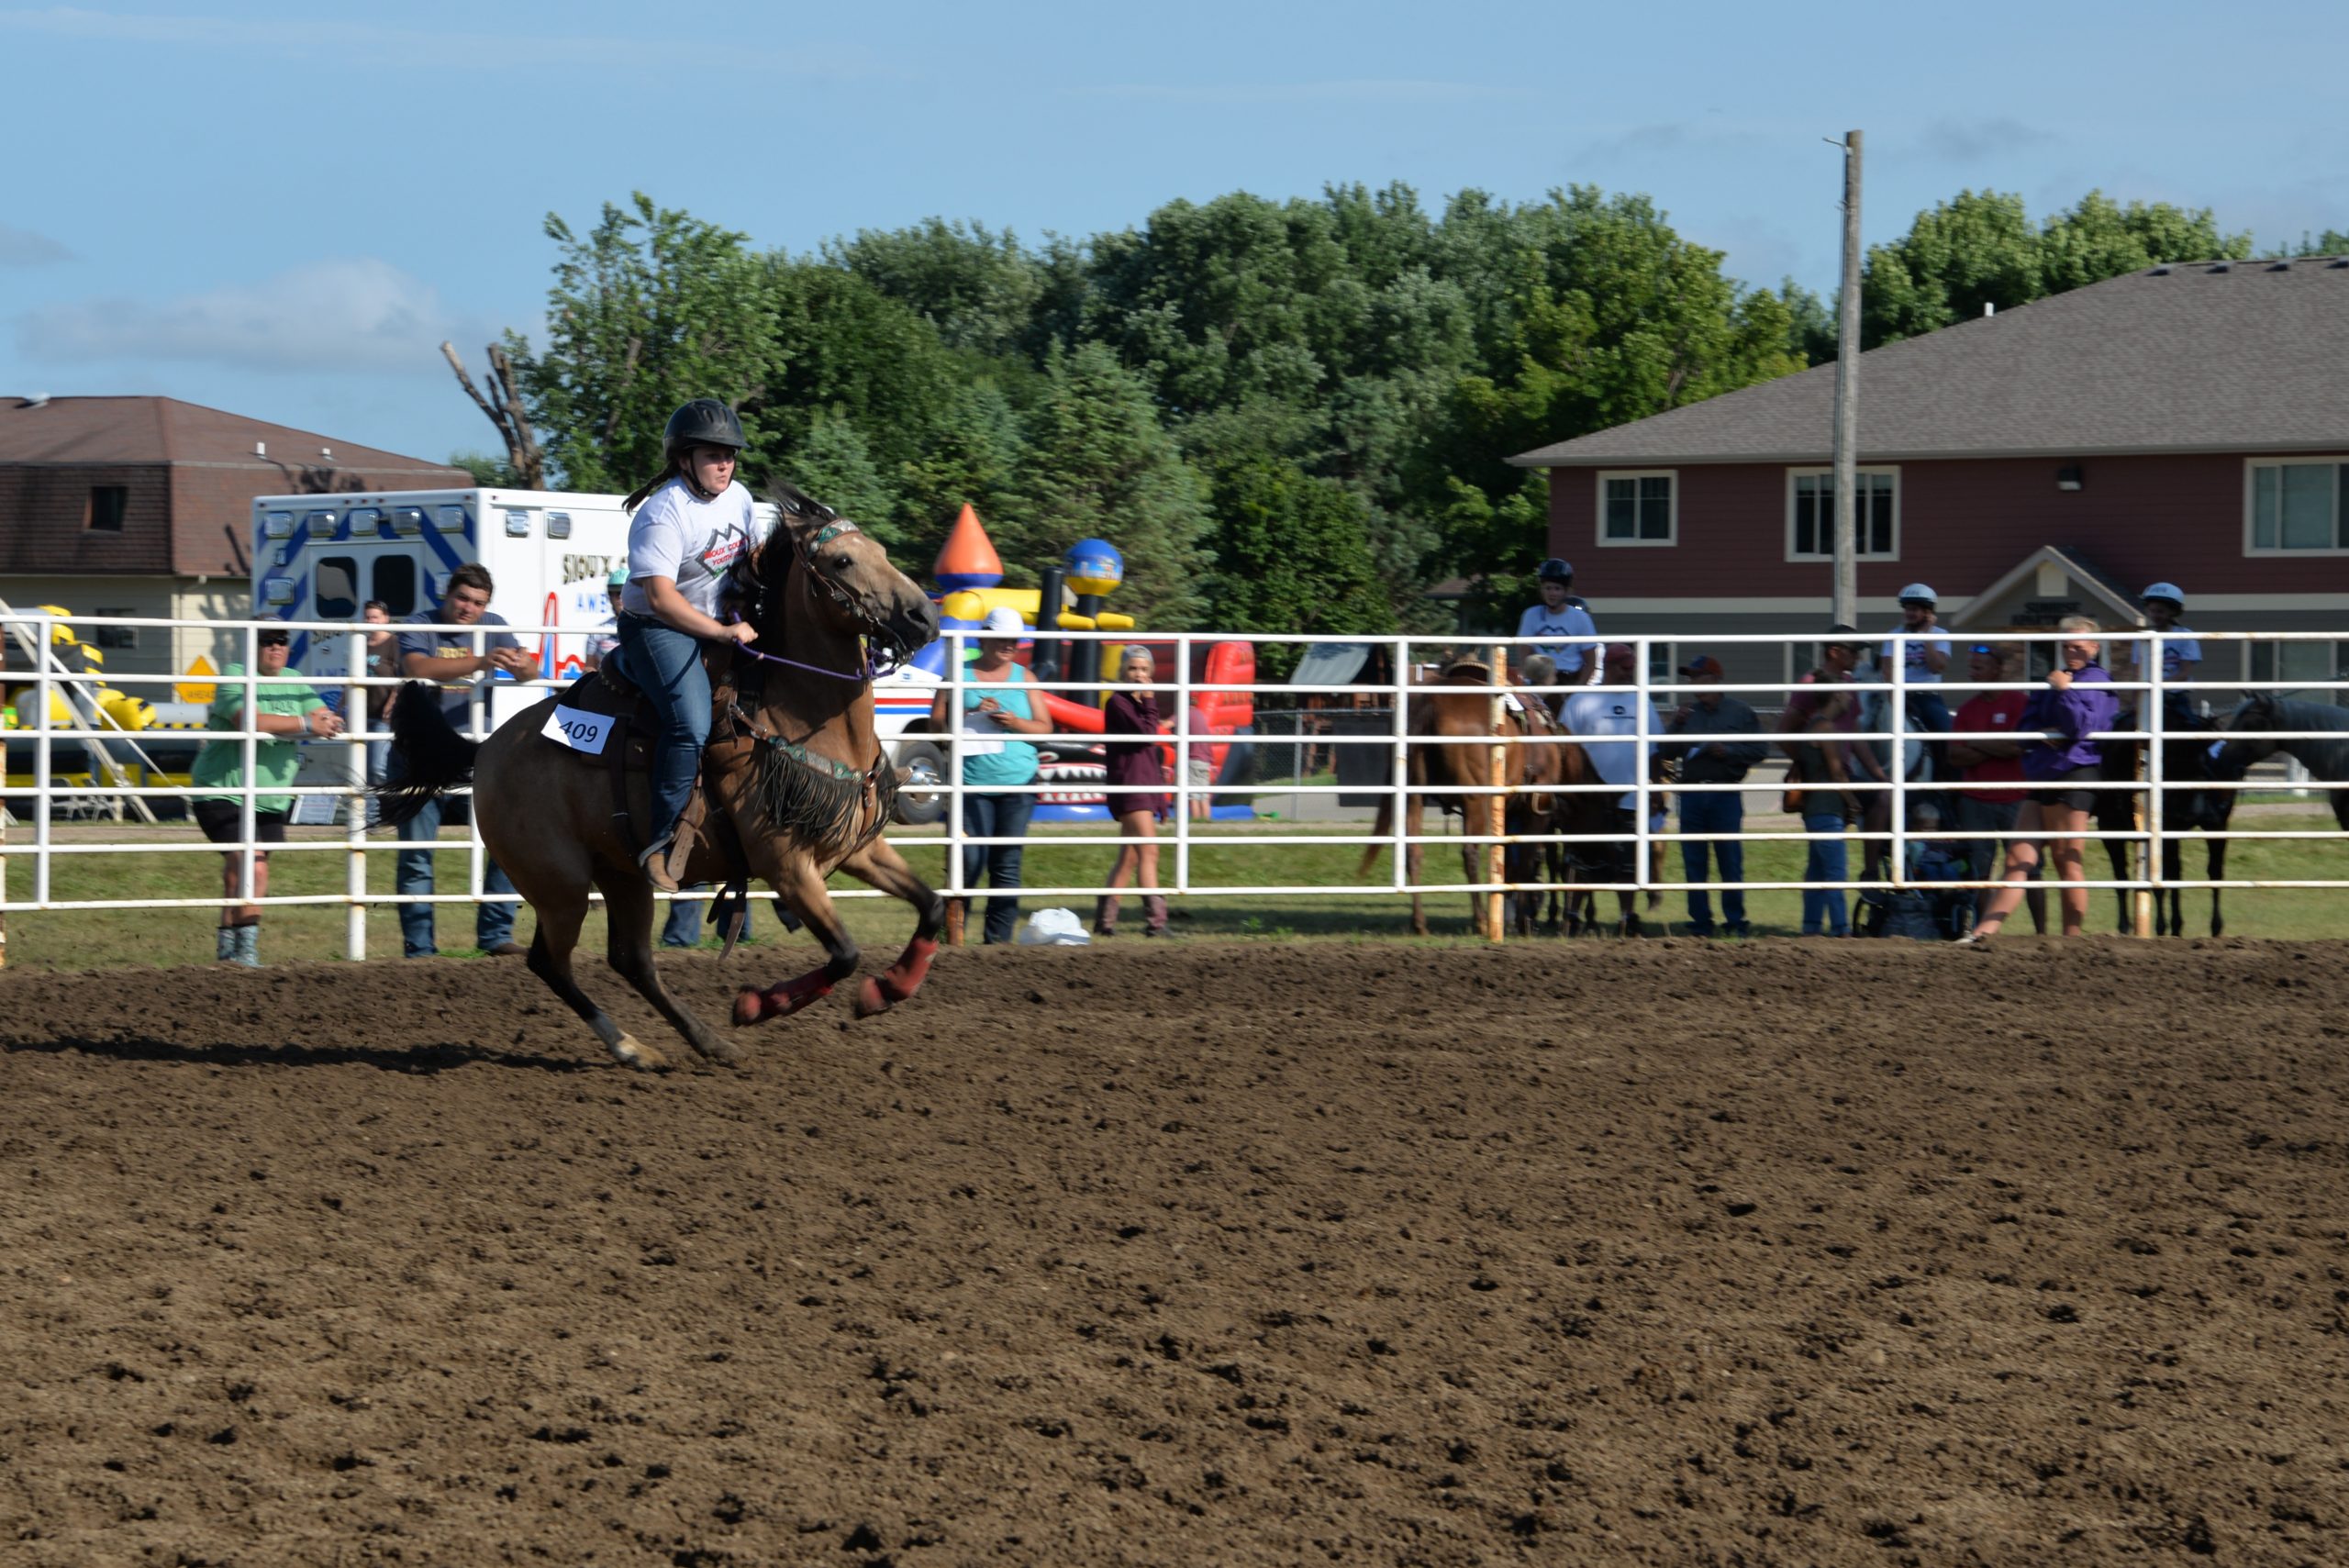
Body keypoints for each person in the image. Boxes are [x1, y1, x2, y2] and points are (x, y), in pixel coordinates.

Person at [613, 398, 762, 890]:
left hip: (719, 620)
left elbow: (752, 557)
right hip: (658, 628)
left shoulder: (738, 496)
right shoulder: (663, 513)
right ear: (684, 459)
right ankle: (660, 841)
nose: (725, 463)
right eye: (714, 454)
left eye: (731, 454)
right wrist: (720, 633)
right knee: (690, 723)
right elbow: (659, 597)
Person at [395, 562, 534, 958]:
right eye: (462, 598)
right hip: (422, 756)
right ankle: (420, 949)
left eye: (477, 602)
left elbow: (529, 671)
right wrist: (482, 661)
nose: (469, 608)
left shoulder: (494, 623)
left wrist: (521, 664)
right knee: (418, 856)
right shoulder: (419, 623)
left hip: (477, 754)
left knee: (506, 844)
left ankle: (496, 935)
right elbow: (417, 667)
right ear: (448, 593)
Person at [1958, 617, 2121, 942]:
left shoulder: (2096, 681)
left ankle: (2071, 939)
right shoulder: (2056, 680)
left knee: (2066, 859)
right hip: (2047, 773)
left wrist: (2063, 692)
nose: (2071, 651)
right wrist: (2041, 732)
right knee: (2019, 857)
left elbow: (2079, 727)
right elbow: (2026, 727)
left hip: (2074, 773)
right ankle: (1982, 933)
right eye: (2066, 645)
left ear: (2094, 647)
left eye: (2078, 645)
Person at [189, 627, 343, 966]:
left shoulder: (294, 679)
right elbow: (248, 720)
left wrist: (323, 720)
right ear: (253, 644)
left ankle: (227, 953)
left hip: (270, 796)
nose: (275, 646)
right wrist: (304, 721)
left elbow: (324, 717)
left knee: (240, 870)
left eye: (281, 640)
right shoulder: (235, 675)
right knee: (253, 868)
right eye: (267, 640)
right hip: (223, 790)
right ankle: (247, 953)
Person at [930, 606, 1048, 944]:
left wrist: (1014, 723)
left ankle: (998, 945)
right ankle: (953, 933)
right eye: (1002, 638)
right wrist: (967, 713)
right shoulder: (958, 672)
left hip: (1019, 783)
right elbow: (935, 725)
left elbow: (1044, 728)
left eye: (1014, 640)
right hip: (970, 783)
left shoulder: (1026, 678)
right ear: (984, 638)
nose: (1009, 645)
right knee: (969, 860)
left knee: (1006, 864)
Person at [1776, 626, 1886, 937]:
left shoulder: (1845, 686)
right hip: (1831, 791)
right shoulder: (1815, 692)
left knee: (1818, 865)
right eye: (1852, 650)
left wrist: (1878, 775)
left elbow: (1855, 735)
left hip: (1830, 791)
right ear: (1835, 651)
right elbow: (1785, 732)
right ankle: (1840, 928)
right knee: (1833, 867)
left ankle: (1813, 925)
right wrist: (1810, 762)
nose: (1857, 656)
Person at [1562, 643, 1664, 932]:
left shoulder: (1640, 701)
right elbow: (1564, 747)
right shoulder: (1581, 700)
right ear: (1609, 667)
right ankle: (1572, 916)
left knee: (1628, 863)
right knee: (1583, 861)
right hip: (1589, 798)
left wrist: (1655, 788)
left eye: (1631, 669)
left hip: (1631, 795)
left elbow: (1654, 750)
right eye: (1623, 668)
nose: (1627, 674)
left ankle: (1626, 917)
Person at [1662, 654, 1765, 938]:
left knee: (1730, 860)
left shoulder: (1740, 712)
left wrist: (1729, 752)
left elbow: (1760, 750)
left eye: (1699, 677)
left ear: (1715, 680)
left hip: (1724, 792)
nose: (1694, 683)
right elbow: (1665, 752)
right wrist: (1675, 725)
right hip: (1692, 793)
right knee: (1694, 862)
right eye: (1691, 678)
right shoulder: (1687, 714)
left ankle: (1735, 920)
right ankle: (1700, 923)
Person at [1946, 642, 2046, 934]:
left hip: (2016, 797)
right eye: (1971, 668)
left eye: (1979, 667)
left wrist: (1975, 742)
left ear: (1997, 669)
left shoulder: (2019, 703)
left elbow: (2017, 747)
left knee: (2030, 868)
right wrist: (1995, 746)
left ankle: (2042, 932)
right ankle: (1983, 932)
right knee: (1981, 871)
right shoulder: (1966, 710)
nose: (1972, 673)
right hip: (1976, 800)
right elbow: (1954, 755)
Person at [1097, 646, 1172, 938]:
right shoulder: (1118, 703)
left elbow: (1148, 757)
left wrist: (1159, 800)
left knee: (1129, 856)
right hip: (1130, 786)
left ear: (1150, 674)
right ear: (1122, 672)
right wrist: (1151, 701)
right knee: (1149, 852)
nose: (1138, 675)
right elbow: (1148, 735)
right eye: (1132, 669)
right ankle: (1157, 921)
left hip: (1142, 787)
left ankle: (1105, 921)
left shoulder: (1139, 705)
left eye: (1143, 669)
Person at [2118, 582, 2202, 732]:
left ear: (2172, 612)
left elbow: (2184, 672)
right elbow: (2137, 672)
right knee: (2122, 725)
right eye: (2152, 611)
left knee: (2193, 728)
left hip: (2174, 696)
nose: (2156, 615)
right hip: (2147, 694)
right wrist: (2135, 701)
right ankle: (2143, 756)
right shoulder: (2142, 638)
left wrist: (2159, 685)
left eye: (2161, 611)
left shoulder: (2185, 635)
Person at [1878, 584, 1954, 739]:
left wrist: (1926, 636)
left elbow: (1937, 667)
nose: (1909, 613)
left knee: (1945, 732)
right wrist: (1894, 699)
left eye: (1915, 609)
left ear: (1928, 612)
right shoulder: (1894, 635)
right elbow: (1887, 668)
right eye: (1907, 608)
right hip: (1899, 694)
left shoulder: (1940, 634)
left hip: (1927, 696)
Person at [1516, 558, 1599, 687]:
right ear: (1541, 589)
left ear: (1567, 591)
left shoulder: (1581, 618)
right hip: (1539, 680)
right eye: (1548, 588)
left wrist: (1578, 688)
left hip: (1569, 680)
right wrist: (1524, 682)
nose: (1552, 593)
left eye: (1557, 588)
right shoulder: (1531, 615)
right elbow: (1523, 655)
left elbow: (1590, 661)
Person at [359, 600, 397, 825]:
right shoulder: (361, 643)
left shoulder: (393, 642)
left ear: (385, 618)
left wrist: (391, 702)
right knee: (364, 768)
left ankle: (388, 813)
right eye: (368, 617)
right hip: (363, 713)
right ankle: (372, 818)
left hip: (384, 716)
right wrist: (341, 705)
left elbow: (401, 676)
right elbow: (352, 678)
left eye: (375, 617)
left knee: (378, 768)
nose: (371, 621)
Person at [586, 565, 626, 673]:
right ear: (610, 596)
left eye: (624, 592)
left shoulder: (645, 628)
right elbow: (589, 668)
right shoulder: (598, 630)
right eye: (616, 593)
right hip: (607, 685)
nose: (620, 598)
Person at [1185, 702, 1215, 820]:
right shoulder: (1200, 714)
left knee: (1193, 796)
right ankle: (1206, 821)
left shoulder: (1184, 713)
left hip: (1193, 759)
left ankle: (1196, 821)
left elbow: (1166, 725)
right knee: (1204, 796)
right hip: (1206, 760)